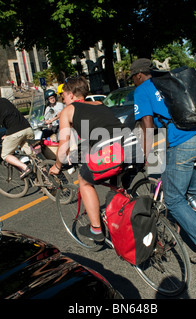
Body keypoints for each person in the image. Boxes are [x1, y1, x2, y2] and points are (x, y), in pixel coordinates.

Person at [131, 58, 196, 265]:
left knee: (173, 200)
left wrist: (147, 154)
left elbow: (147, 123)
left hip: (182, 143)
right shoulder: (167, 81)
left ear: (138, 75)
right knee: (193, 184)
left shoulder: (141, 90)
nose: (133, 82)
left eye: (132, 78)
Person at [49, 76, 132, 242]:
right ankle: (124, 214)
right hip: (131, 144)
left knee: (84, 180)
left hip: (112, 150)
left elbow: (63, 145)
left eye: (63, 96)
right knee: (116, 182)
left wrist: (57, 166)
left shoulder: (68, 110)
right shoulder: (99, 104)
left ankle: (96, 229)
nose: (63, 100)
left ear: (71, 94)